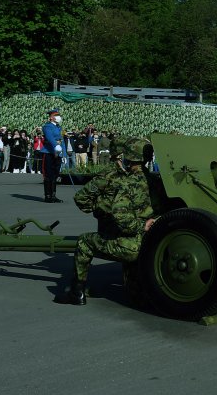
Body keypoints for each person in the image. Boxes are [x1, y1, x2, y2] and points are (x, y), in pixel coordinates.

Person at [54, 138, 156, 306]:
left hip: (128, 238)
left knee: (84, 242)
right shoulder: (153, 180)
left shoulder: (126, 181)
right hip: (148, 239)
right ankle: (136, 292)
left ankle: (76, 292)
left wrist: (103, 210)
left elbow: (120, 215)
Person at [39, 109, 65, 202]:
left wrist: (64, 154)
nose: (58, 117)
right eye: (56, 115)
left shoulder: (59, 127)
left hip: (58, 153)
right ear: (51, 117)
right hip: (49, 152)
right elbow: (49, 137)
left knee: (55, 174)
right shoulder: (47, 126)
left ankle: (53, 195)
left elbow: (62, 140)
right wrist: (55, 145)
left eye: (58, 115)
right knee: (48, 174)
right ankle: (48, 196)